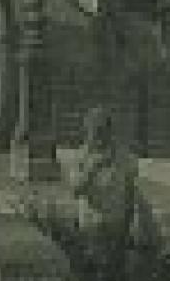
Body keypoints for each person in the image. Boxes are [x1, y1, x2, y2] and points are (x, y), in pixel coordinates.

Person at [64, 106, 158, 254]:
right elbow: (75, 190)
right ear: (87, 132)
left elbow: (131, 191)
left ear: (109, 131)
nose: (98, 136)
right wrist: (91, 170)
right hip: (92, 224)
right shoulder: (80, 158)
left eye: (101, 130)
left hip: (118, 225)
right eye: (94, 131)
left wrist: (135, 221)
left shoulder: (124, 157)